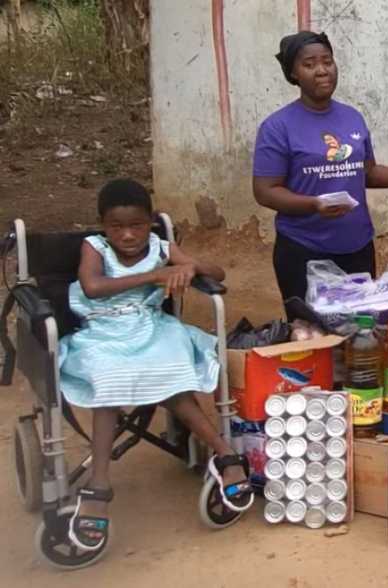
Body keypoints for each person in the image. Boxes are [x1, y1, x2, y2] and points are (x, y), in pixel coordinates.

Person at [59, 179, 253, 553]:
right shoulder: (95, 247)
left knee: (174, 373)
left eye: (137, 225)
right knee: (108, 380)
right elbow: (93, 287)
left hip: (151, 327)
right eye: (116, 226)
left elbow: (219, 275)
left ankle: (223, 452)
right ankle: (99, 483)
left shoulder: (161, 246)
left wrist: (188, 267)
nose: (128, 234)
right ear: (103, 225)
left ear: (150, 222)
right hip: (104, 331)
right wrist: (156, 275)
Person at [253, 31, 388, 315]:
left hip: (357, 246)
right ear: (293, 74)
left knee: (358, 332)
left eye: (328, 62)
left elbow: (367, 174)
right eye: (309, 64)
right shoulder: (278, 127)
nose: (322, 70)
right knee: (311, 333)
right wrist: (313, 205)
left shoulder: (352, 117)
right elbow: (265, 190)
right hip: (303, 249)